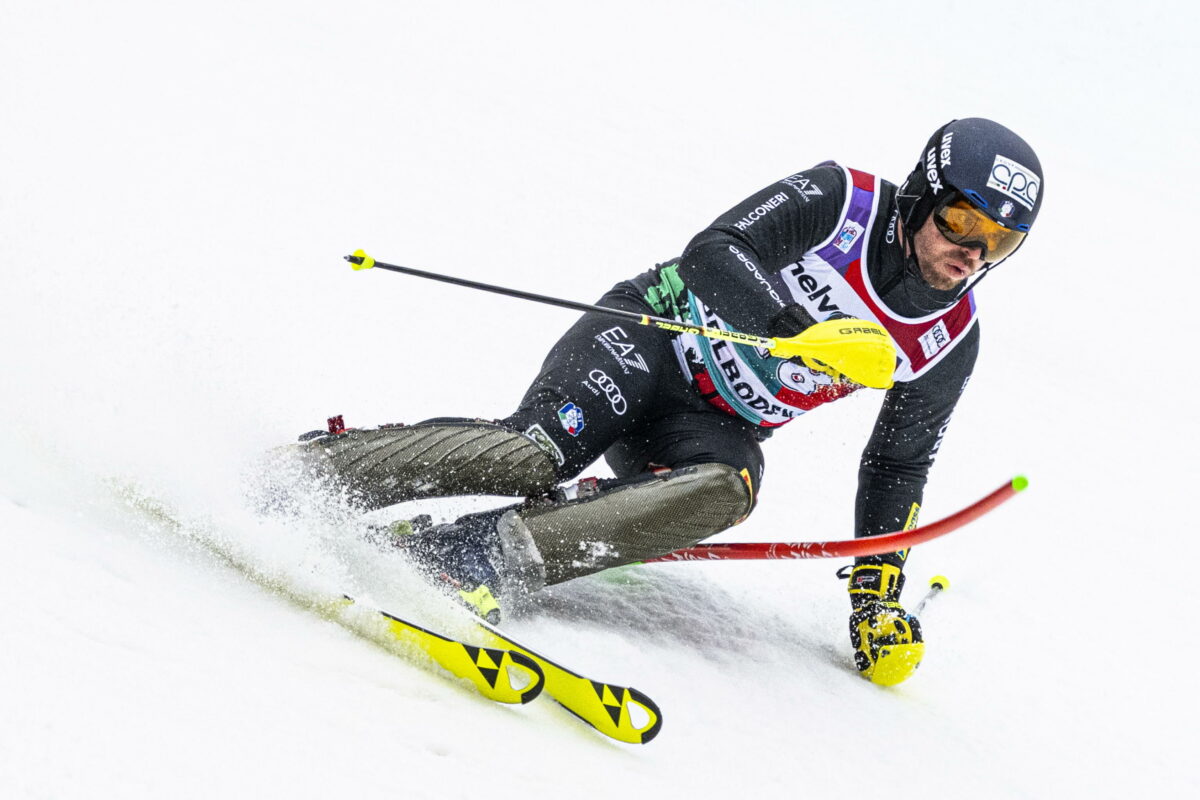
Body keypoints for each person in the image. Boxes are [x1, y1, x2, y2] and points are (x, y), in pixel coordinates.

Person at [297, 117, 1043, 686]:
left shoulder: (948, 338)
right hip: (648, 341)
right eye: (960, 221)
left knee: (728, 489)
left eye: (998, 243)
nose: (970, 252)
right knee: (532, 453)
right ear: (921, 196)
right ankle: (327, 469)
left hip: (712, 423)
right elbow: (713, 251)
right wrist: (791, 332)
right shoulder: (842, 199)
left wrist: (876, 603)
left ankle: (471, 555)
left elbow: (897, 465)